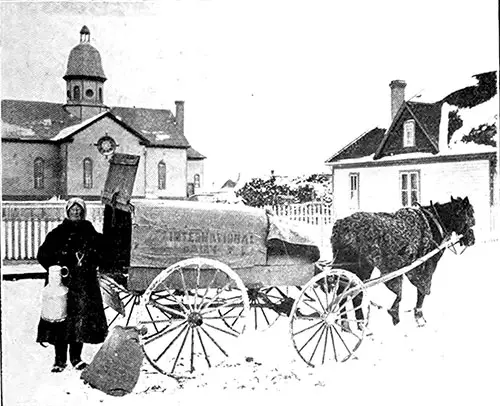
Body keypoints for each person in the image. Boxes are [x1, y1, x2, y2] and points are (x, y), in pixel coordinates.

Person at [36, 198, 108, 373]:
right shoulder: (57, 233)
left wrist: (92, 262)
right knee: (60, 320)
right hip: (62, 284)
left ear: (83, 212)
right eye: (72, 210)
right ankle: (59, 360)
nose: (75, 212)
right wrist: (54, 268)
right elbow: (43, 254)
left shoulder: (89, 231)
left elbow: (102, 250)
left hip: (83, 285)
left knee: (79, 321)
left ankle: (76, 358)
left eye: (79, 210)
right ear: (67, 212)